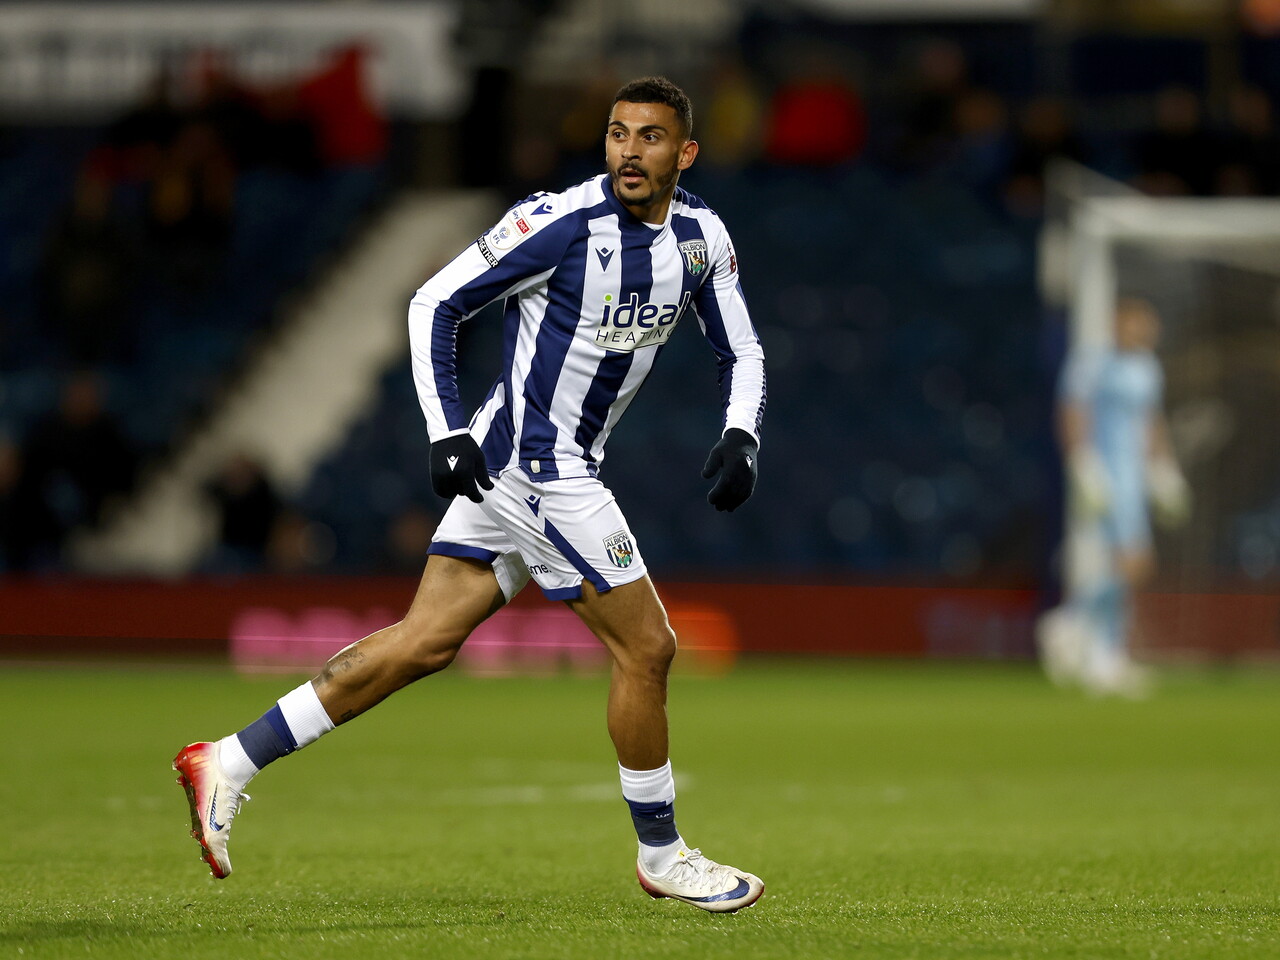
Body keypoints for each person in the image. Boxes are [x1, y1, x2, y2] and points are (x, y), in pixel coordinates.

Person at [173, 77, 767, 913]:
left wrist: (742, 432)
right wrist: (444, 430)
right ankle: (663, 855)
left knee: (422, 644)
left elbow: (741, 350)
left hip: (536, 463)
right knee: (649, 649)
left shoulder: (701, 236)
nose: (631, 151)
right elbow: (433, 304)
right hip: (537, 468)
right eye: (618, 133)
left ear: (686, 152)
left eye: (651, 137)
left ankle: (227, 760)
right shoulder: (558, 223)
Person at [1037, 298, 1190, 696]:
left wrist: (1164, 469)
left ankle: (1097, 648)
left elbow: (1151, 421)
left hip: (1135, 475)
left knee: (1134, 565)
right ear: (1117, 324)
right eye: (1135, 325)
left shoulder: (1148, 368)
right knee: (1131, 560)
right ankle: (1081, 630)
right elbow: (1071, 412)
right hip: (1105, 473)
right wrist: (1083, 463)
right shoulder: (1092, 362)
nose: (1142, 334)